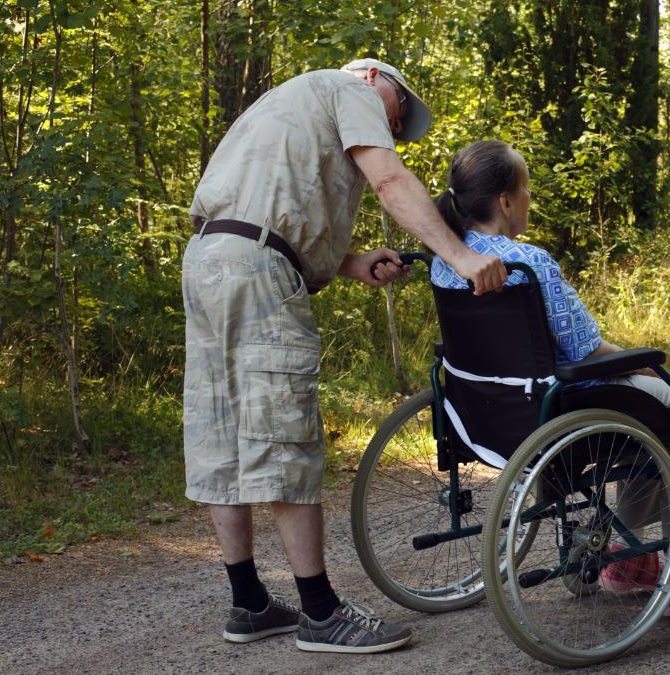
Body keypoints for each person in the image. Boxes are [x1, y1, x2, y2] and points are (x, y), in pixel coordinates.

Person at [183, 58, 507, 655]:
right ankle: (321, 612)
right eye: (400, 110)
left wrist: (351, 262)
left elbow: (269, 217)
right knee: (284, 434)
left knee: (222, 432)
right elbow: (388, 180)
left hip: (209, 258)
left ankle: (250, 602)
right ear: (374, 80)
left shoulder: (280, 105)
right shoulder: (348, 89)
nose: (396, 122)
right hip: (256, 268)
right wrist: (461, 257)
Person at [429, 140, 670, 595]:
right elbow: (586, 350)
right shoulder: (529, 263)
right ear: (505, 202)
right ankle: (664, 555)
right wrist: (646, 365)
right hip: (552, 407)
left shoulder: (447, 259)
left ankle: (630, 551)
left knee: (649, 406)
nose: (529, 200)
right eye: (527, 190)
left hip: (482, 411)